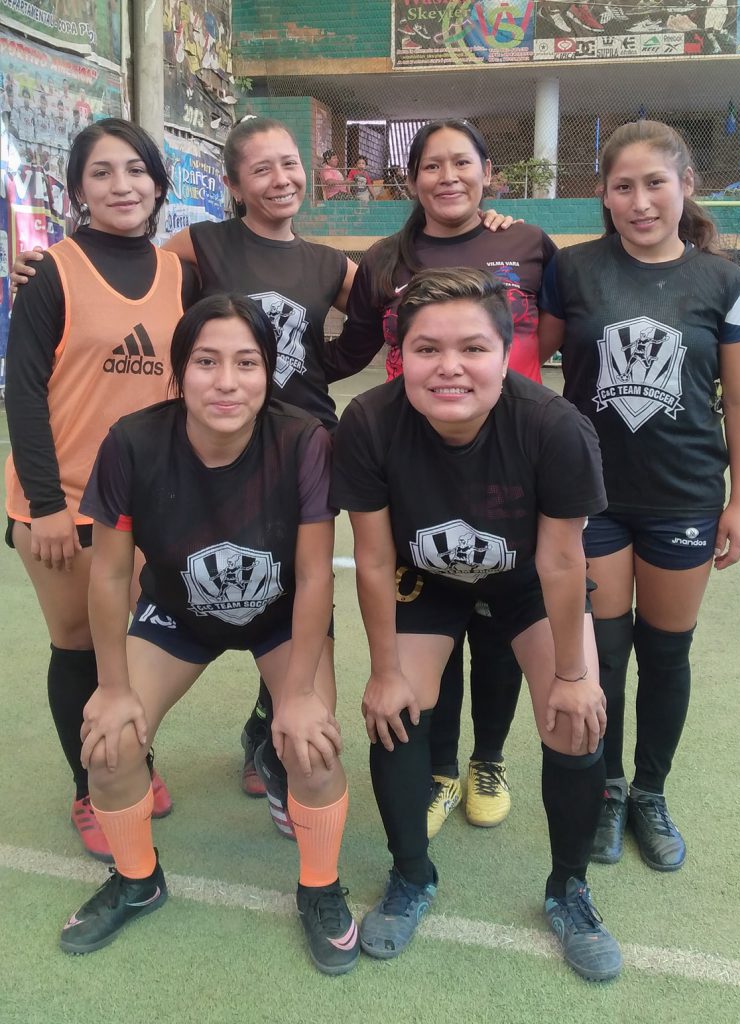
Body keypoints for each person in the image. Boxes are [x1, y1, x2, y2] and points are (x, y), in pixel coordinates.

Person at [12, 114, 514, 813]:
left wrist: (481, 232)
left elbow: (390, 305)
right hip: (166, 462)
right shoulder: (194, 249)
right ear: (233, 184)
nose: (281, 179)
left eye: (290, 163)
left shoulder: (305, 264)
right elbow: (105, 287)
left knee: (278, 594)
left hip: (287, 452)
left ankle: (266, 730)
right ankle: (104, 777)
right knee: (130, 623)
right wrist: (44, 262)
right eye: (261, 168)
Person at [331, 267, 622, 982]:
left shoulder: (554, 426)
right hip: (426, 578)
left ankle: (569, 889)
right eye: (427, 349)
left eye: (473, 348)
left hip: (525, 582)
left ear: (507, 351)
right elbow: (373, 559)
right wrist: (384, 672)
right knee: (396, 710)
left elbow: (561, 561)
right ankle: (411, 875)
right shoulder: (368, 421)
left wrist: (574, 676)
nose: (450, 367)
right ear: (400, 355)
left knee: (575, 720)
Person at [58, 294, 358, 975]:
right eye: (206, 362)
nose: (227, 382)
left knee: (311, 747)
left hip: (280, 613)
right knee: (109, 746)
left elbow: (315, 575)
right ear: (178, 371)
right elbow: (109, 575)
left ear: (269, 372)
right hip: (177, 612)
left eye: (247, 363)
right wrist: (111, 687)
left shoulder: (304, 441)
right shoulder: (131, 442)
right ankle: (137, 881)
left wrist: (299, 695)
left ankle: (319, 887)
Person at [324, 118, 557, 840]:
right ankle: (442, 768)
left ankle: (489, 760)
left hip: (508, 463)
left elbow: (557, 332)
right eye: (431, 165)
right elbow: (352, 348)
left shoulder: (528, 244)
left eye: (462, 163)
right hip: (417, 469)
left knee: (498, 625)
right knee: (435, 617)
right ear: (412, 179)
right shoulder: (385, 259)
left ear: (489, 173)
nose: (447, 177)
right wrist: (258, 367)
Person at [538, 120, 740, 872]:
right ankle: (606, 789)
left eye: (655, 184)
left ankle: (649, 793)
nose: (640, 202)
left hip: (685, 497)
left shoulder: (725, 284)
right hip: (591, 499)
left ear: (686, 187)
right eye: (623, 187)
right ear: (602, 195)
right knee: (601, 653)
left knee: (665, 654)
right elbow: (523, 355)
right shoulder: (571, 270)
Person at [5, 118, 198, 861]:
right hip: (63, 504)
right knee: (81, 645)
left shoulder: (178, 274)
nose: (122, 186)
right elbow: (24, 396)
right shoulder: (51, 273)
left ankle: (131, 758)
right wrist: (47, 508)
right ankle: (90, 787)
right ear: (78, 190)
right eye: (102, 173)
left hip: (148, 502)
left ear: (157, 183)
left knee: (139, 641)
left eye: (136, 170)